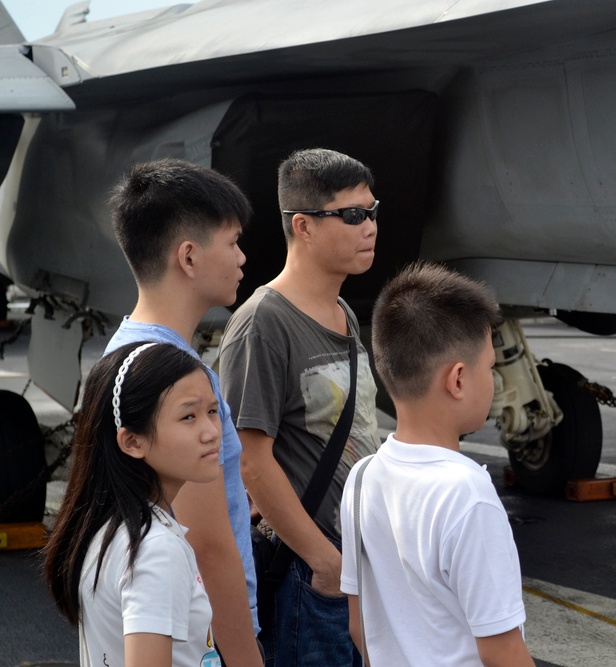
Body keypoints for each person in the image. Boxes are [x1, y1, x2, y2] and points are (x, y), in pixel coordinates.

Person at [218, 148, 381, 666]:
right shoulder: (262, 323)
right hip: (311, 576)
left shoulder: (343, 312)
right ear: (303, 227)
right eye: (352, 215)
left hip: (355, 570)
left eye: (373, 211)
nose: (369, 226)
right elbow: (250, 460)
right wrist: (324, 562)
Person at [105, 159, 263, 666]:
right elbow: (210, 548)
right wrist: (247, 657)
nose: (243, 257)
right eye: (233, 241)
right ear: (189, 257)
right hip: (205, 642)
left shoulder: (123, 354)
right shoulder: (179, 377)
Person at [340, 262, 535, 667]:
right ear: (458, 379)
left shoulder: (361, 478)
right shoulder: (468, 495)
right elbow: (504, 652)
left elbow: (359, 627)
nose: (493, 381)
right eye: (490, 368)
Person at [44, 342, 224, 666]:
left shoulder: (111, 529)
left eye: (212, 411)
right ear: (132, 441)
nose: (211, 431)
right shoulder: (155, 550)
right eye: (188, 416)